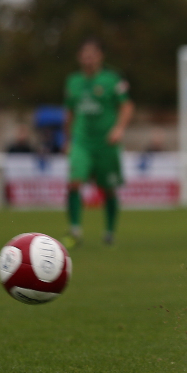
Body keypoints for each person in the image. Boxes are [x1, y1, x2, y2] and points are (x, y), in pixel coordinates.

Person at [62, 38, 134, 247]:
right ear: (79, 57)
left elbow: (127, 106)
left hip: (106, 143)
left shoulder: (112, 79)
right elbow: (69, 113)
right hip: (82, 142)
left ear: (100, 56)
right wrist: (67, 140)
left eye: (92, 53)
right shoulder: (73, 82)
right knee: (74, 182)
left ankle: (109, 231)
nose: (88, 58)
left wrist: (119, 129)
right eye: (85, 54)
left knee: (108, 188)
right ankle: (74, 230)